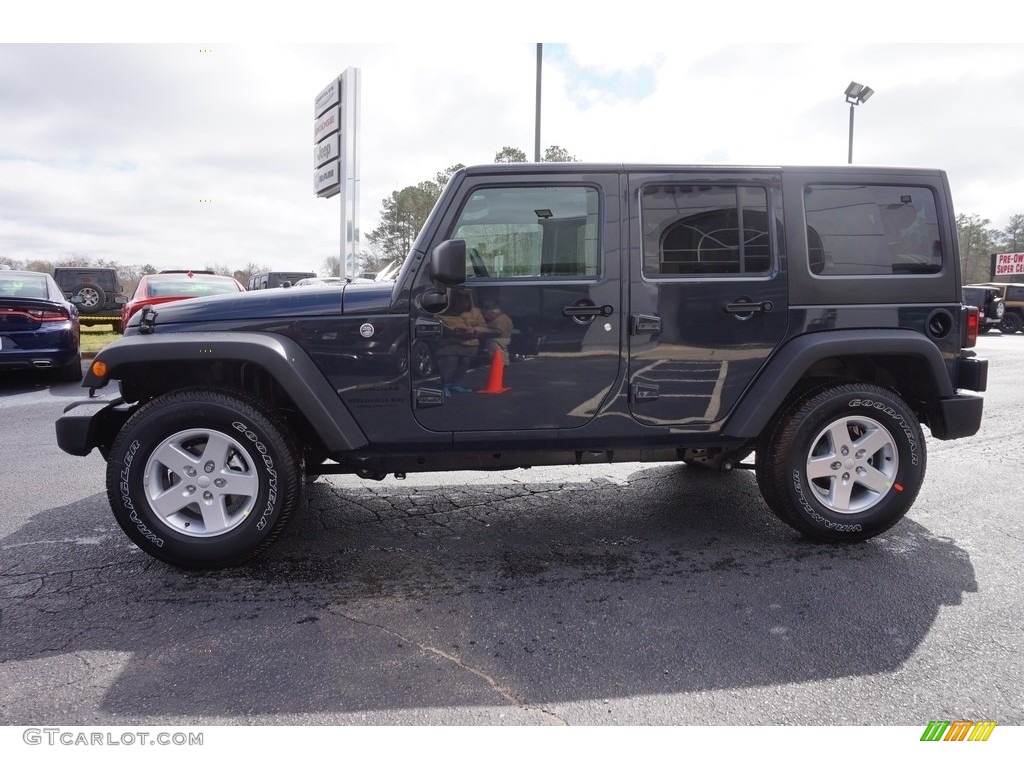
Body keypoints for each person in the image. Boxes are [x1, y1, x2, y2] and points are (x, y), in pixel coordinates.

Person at [434, 289, 487, 394]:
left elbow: (483, 326)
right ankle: (445, 385)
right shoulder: (441, 312)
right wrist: (454, 330)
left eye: (465, 299)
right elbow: (438, 324)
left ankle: (455, 384)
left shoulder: (475, 311)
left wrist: (474, 330)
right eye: (460, 299)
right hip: (450, 343)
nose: (464, 301)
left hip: (470, 343)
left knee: (464, 364)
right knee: (449, 363)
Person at [479, 297, 513, 366]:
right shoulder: (504, 317)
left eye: (487, 315)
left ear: (492, 313)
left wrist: (484, 330)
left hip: (498, 339)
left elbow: (498, 331)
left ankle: (498, 365)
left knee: (496, 353)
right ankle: (503, 364)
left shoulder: (500, 319)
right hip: (503, 339)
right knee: (502, 352)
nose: (486, 317)